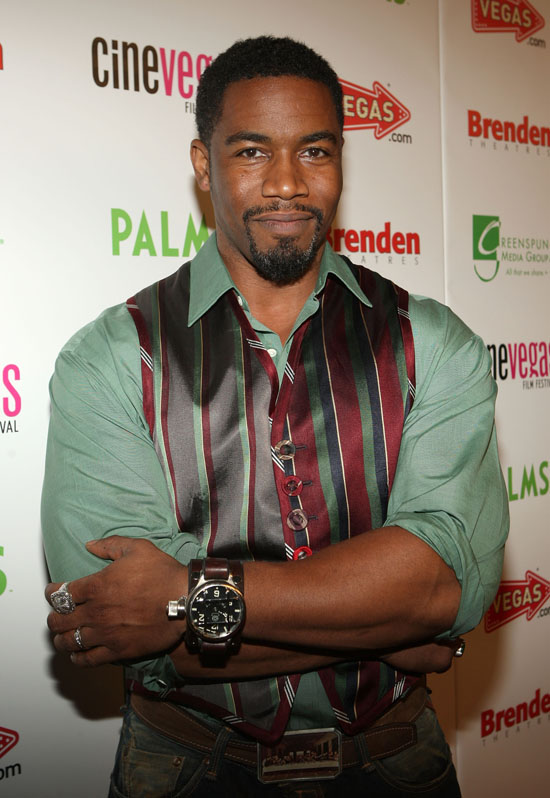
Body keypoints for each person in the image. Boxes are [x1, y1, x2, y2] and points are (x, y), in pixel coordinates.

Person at [43, 35, 508, 797]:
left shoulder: (435, 344)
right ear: (204, 164)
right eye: (253, 152)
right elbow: (126, 629)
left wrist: (190, 598)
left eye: (316, 151)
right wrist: (387, 633)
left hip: (395, 763)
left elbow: (442, 587)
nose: (288, 183)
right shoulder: (109, 357)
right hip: (187, 767)